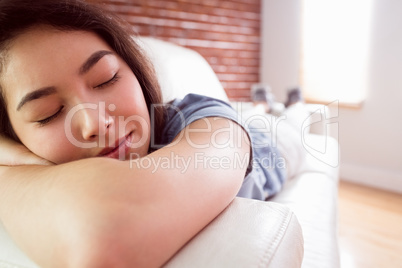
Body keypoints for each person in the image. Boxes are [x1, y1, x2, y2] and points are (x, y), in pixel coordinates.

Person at [0, 0, 307, 267]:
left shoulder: (197, 118)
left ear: (135, 71)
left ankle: (283, 107)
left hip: (268, 147)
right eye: (49, 113)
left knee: (287, 122)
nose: (94, 123)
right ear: (13, 134)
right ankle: (263, 105)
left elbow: (110, 235)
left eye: (105, 80)